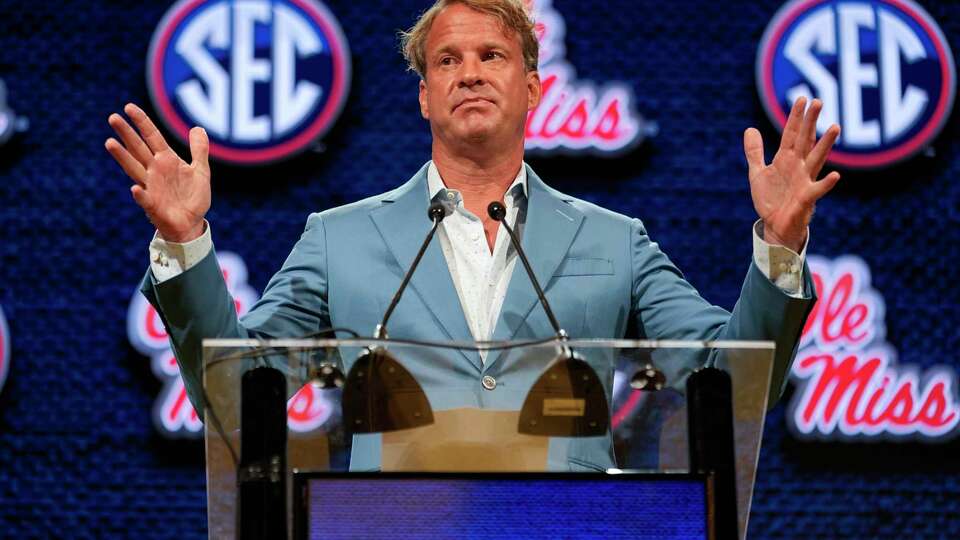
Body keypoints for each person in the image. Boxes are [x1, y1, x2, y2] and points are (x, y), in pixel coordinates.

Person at [105, 0, 840, 471]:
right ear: (424, 94)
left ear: (534, 88)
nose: (469, 74)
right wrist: (187, 241)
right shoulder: (338, 238)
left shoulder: (616, 240)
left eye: (493, 56)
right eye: (447, 61)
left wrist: (778, 248)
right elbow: (236, 395)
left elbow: (735, 382)